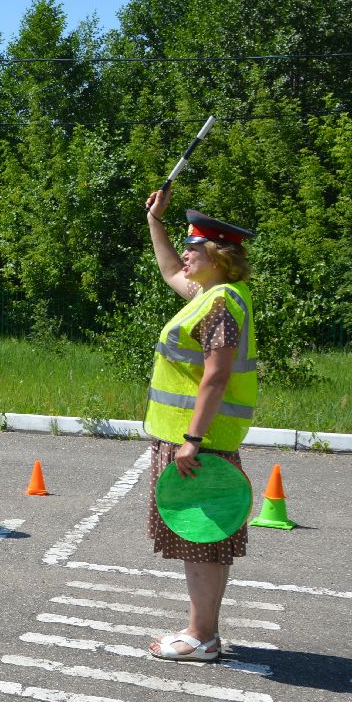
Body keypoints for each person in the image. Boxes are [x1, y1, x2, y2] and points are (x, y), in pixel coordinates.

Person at [143, 191, 259, 662]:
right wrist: (155, 221)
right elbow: (171, 271)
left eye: (194, 247)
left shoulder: (219, 304)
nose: (185, 253)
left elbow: (217, 373)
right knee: (203, 537)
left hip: (199, 441)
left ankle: (201, 636)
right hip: (195, 437)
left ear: (217, 256)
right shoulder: (212, 295)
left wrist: (191, 440)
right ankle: (203, 630)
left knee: (201, 537)